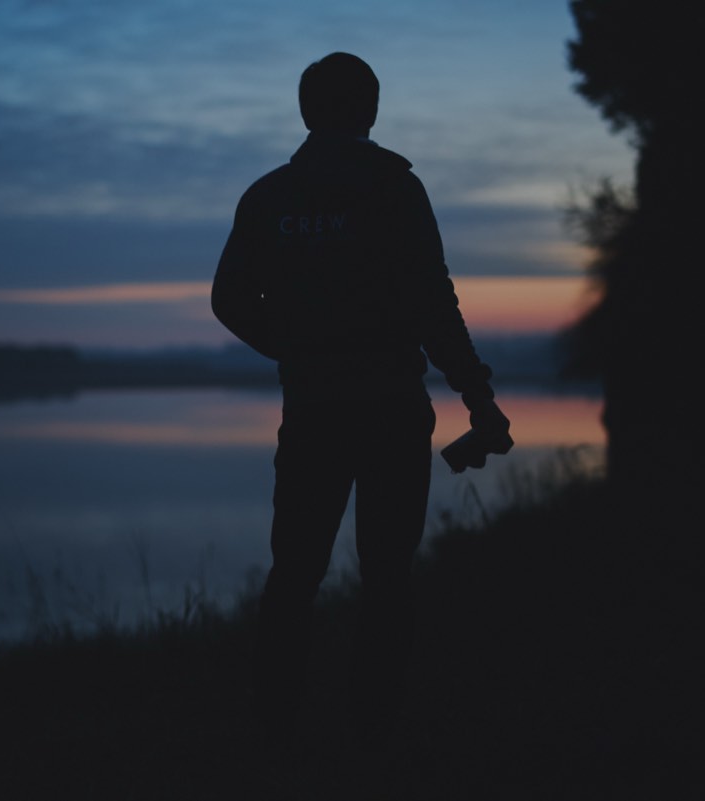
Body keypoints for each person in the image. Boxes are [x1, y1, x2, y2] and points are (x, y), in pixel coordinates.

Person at [211, 52, 511, 749]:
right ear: (371, 111)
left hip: (313, 409)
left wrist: (292, 348)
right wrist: (478, 395)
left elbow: (229, 300)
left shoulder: (268, 197)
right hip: (390, 406)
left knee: (295, 572)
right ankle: (373, 729)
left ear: (307, 112)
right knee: (386, 575)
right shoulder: (394, 188)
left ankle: (275, 727)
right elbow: (435, 303)